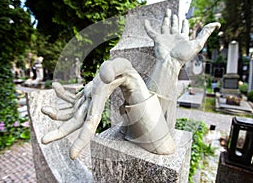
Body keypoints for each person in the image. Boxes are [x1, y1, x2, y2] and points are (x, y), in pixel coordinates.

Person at [41, 9, 221, 159]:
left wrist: (169, 62)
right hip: (144, 125)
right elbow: (163, 146)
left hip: (151, 124)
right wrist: (167, 64)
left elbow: (164, 147)